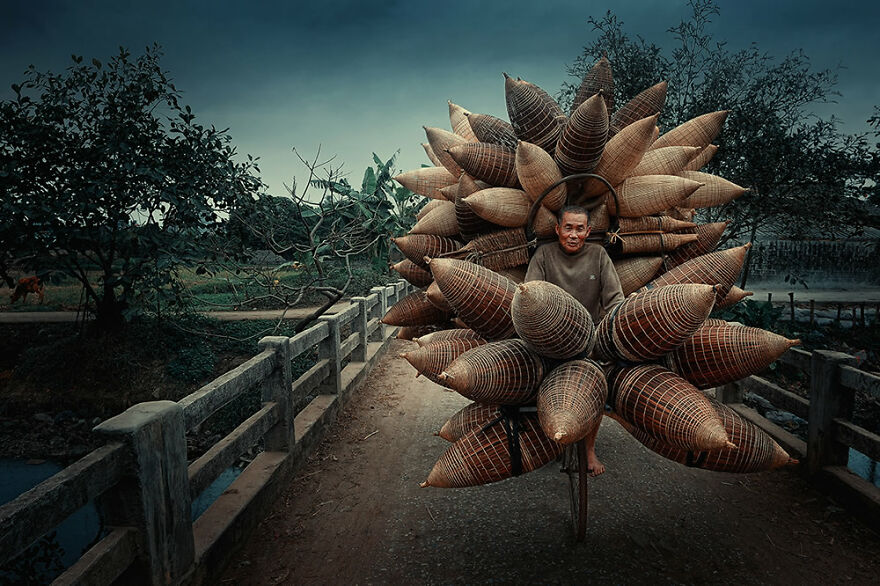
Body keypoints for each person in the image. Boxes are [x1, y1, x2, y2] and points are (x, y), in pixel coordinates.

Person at [525, 204, 624, 476]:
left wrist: (609, 331)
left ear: (588, 231)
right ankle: (549, 436)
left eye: (580, 229)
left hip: (589, 340)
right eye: (568, 227)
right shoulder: (544, 256)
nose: (573, 234)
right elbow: (530, 295)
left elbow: (615, 300)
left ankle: (589, 451)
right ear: (557, 229)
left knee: (598, 385)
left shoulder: (599, 255)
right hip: (550, 337)